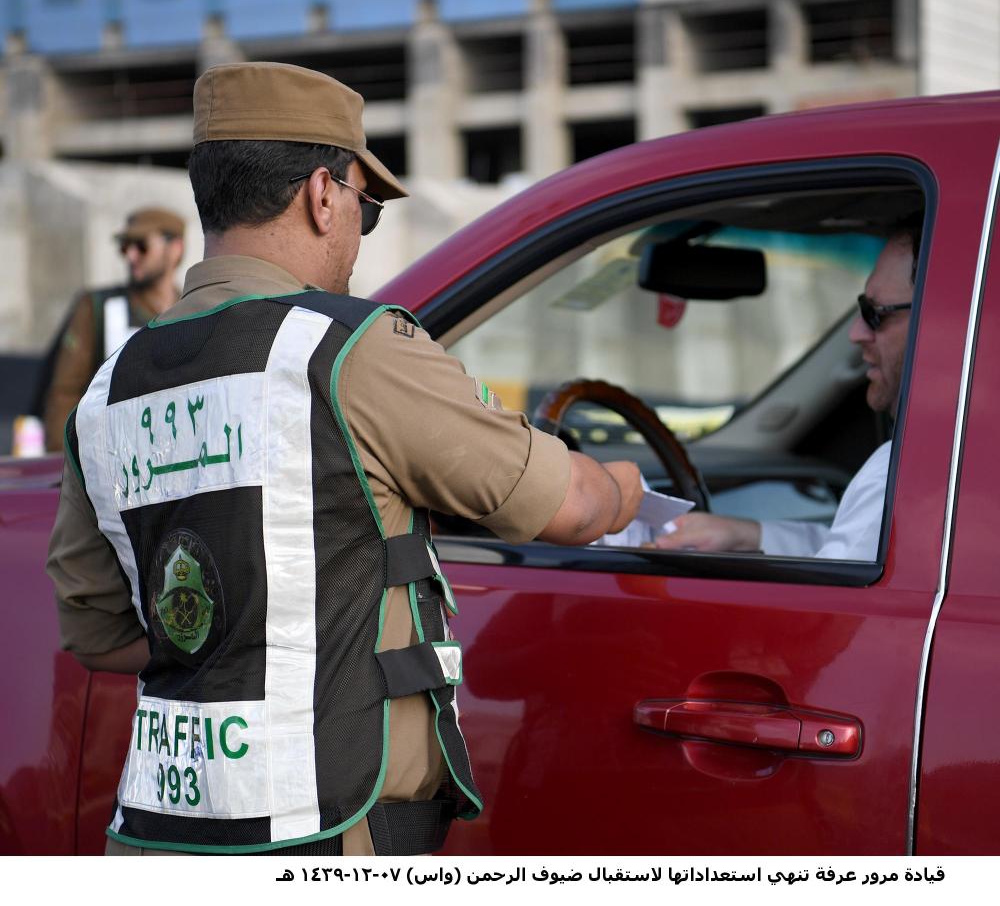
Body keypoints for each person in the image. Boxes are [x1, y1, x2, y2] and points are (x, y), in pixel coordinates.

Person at [45, 61, 642, 857]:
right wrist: (634, 486)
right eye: (365, 203)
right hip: (324, 838)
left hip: (154, 840)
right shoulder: (345, 349)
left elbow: (96, 631)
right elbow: (575, 508)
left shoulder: (108, 387)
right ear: (322, 194)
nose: (360, 231)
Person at [653, 225, 917, 561]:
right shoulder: (932, 469)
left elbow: (831, 604)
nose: (856, 332)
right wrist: (746, 536)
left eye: (874, 314)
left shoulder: (898, 475)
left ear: (937, 318)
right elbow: (856, 558)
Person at [40, 207, 185, 452]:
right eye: (124, 246)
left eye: (141, 246)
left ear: (175, 249)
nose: (130, 256)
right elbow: (64, 395)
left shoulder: (192, 309)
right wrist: (63, 466)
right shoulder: (96, 308)